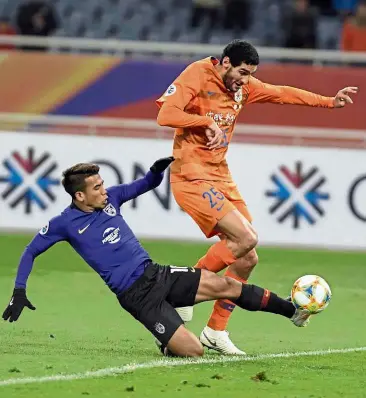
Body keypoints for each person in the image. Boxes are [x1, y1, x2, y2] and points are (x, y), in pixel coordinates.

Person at [156, 39, 358, 355]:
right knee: (246, 238)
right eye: (241, 72)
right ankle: (177, 294)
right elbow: (166, 115)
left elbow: (282, 93)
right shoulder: (197, 74)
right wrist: (204, 121)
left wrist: (329, 102)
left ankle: (215, 331)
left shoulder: (244, 88)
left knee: (248, 256)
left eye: (250, 74)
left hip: (220, 174)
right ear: (225, 63)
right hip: (190, 173)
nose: (244, 80)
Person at [2, 156, 310, 358]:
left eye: (103, 183)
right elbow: (30, 251)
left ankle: (292, 311)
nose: (104, 190)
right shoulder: (63, 224)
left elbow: (147, 184)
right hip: (137, 297)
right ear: (79, 196)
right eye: (97, 187)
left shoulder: (114, 199)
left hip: (158, 274)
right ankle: (167, 340)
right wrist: (19, 290)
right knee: (193, 353)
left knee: (225, 285)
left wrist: (156, 171)